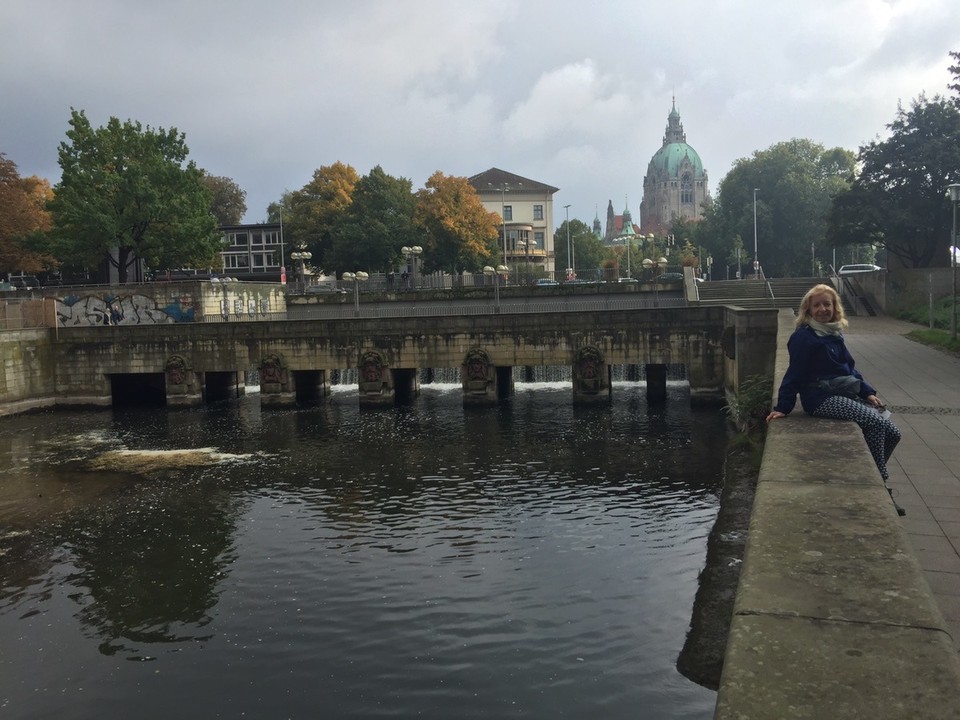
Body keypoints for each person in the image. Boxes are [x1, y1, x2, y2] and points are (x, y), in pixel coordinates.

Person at [765, 284, 904, 514]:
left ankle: (865, 473)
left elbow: (849, 370)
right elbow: (794, 373)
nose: (822, 309)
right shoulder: (803, 337)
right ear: (808, 309)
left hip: (843, 391)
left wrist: (868, 392)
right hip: (820, 398)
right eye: (817, 305)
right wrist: (783, 407)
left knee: (893, 433)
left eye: (827, 304)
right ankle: (881, 489)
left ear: (834, 307)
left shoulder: (833, 332)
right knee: (875, 423)